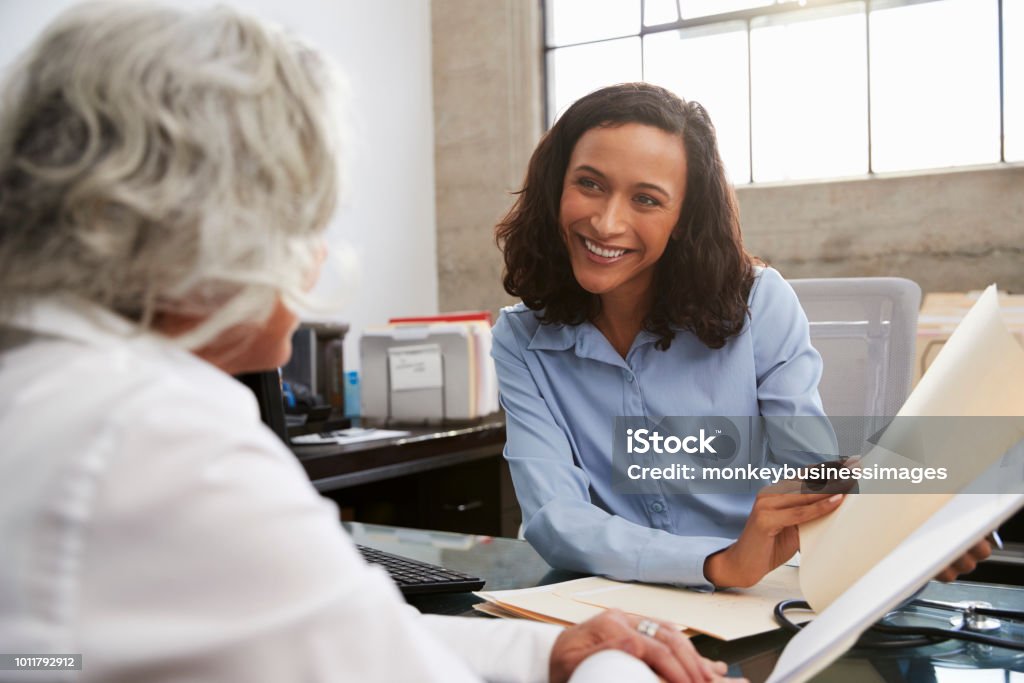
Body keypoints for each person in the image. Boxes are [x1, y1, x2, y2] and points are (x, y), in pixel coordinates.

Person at [0, 6, 737, 683]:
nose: (318, 256)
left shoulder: (54, 384)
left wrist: (550, 647)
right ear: (217, 227)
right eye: (312, 215)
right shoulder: (168, 440)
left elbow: (357, 634)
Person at [492, 82, 991, 591]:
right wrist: (716, 562)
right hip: (607, 598)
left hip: (759, 595)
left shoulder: (758, 303)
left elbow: (811, 469)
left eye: (646, 199)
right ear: (557, 186)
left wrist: (906, 509)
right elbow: (554, 517)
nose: (606, 221)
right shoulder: (520, 339)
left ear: (683, 219)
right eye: (590, 184)